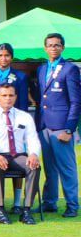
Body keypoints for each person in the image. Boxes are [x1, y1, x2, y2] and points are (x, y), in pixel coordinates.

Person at [0, 83, 41, 225]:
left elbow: (32, 139)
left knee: (34, 167)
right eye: (4, 95)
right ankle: (0, 209)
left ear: (16, 97)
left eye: (11, 95)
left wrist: (33, 154)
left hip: (18, 155)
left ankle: (26, 210)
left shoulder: (24, 116)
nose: (8, 99)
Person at [35, 32, 80, 217]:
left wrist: (70, 129)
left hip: (62, 127)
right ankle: (50, 203)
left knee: (67, 168)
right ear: (45, 48)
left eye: (57, 45)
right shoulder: (41, 69)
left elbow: (76, 102)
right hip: (45, 125)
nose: (53, 48)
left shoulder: (70, 69)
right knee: (50, 168)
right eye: (50, 45)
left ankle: (72, 205)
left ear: (62, 47)